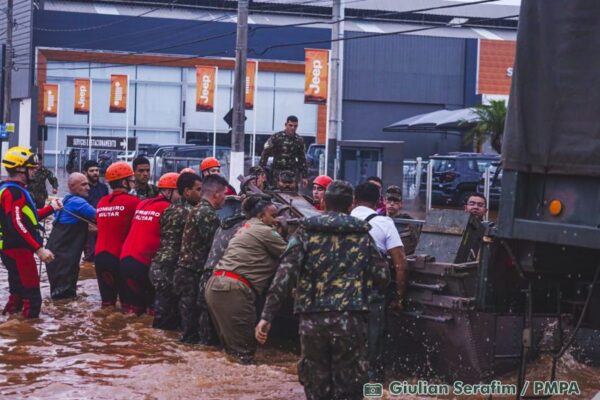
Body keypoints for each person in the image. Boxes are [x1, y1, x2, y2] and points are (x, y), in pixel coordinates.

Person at [255, 181, 390, 400]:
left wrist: (266, 316)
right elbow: (383, 277)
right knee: (350, 387)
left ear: (324, 202)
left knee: (316, 386)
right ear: (350, 205)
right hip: (351, 321)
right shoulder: (362, 235)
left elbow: (284, 275)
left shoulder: (306, 231)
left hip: (312, 320)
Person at [205, 196, 287, 363]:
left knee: (230, 352)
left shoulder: (245, 226)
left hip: (216, 285)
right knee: (244, 355)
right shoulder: (266, 231)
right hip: (233, 290)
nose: (277, 220)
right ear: (261, 217)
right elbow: (292, 256)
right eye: (274, 216)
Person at [350, 181, 407, 381]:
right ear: (379, 201)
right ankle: (372, 380)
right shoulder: (384, 223)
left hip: (343, 291)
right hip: (372, 292)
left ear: (354, 200)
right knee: (373, 338)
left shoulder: (344, 220)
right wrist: (398, 298)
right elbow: (400, 264)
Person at [0, 146, 61, 318]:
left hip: (9, 249)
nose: (35, 170)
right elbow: (17, 223)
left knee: (17, 295)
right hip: (19, 250)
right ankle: (27, 339)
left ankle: (10, 330)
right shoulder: (15, 192)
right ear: (20, 169)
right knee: (32, 298)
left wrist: (51, 208)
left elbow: (28, 218)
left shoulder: (7, 188)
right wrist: (39, 249)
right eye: (31, 167)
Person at [175, 174, 227, 343]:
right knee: (197, 332)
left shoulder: (199, 209)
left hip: (187, 272)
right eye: (225, 194)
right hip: (193, 275)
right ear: (217, 194)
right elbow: (215, 247)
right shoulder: (207, 213)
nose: (225, 198)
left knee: (189, 328)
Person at [120, 172, 180, 315]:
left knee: (133, 312)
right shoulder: (170, 209)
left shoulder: (142, 203)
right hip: (143, 264)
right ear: (168, 191)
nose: (180, 196)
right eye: (178, 192)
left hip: (124, 261)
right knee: (152, 313)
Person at [150, 172, 202, 331]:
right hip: (170, 268)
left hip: (158, 265)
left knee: (162, 318)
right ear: (186, 191)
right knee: (169, 322)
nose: (201, 194)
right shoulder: (190, 213)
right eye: (198, 190)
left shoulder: (169, 209)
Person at [95, 162, 140, 307]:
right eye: (131, 179)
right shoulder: (134, 202)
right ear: (124, 181)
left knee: (107, 305)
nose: (133, 182)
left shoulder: (101, 202)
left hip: (100, 258)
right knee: (128, 308)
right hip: (119, 257)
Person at [46, 173, 97, 300]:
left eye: (88, 184)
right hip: (64, 257)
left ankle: (56, 316)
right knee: (65, 297)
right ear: (72, 186)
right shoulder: (78, 202)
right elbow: (102, 216)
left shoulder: (66, 200)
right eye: (83, 184)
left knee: (58, 295)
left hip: (54, 254)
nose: (88, 188)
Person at [258, 115, 308, 188]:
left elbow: (302, 159)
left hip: (292, 174)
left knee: (292, 196)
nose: (293, 128)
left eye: (295, 126)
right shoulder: (276, 137)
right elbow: (265, 154)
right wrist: (261, 172)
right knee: (276, 194)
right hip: (277, 173)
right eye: (290, 125)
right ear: (286, 125)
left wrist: (304, 176)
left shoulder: (299, 140)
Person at [82, 160, 109, 263]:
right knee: (90, 254)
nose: (95, 173)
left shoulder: (104, 188)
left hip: (102, 225)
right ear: (85, 172)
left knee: (102, 253)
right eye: (92, 170)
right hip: (87, 226)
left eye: (97, 170)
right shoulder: (83, 188)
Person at [384, 185, 419, 255]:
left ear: (401, 204)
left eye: (395, 201)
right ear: (384, 201)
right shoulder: (379, 220)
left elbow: (416, 244)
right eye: (389, 200)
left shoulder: (409, 222)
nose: (392, 203)